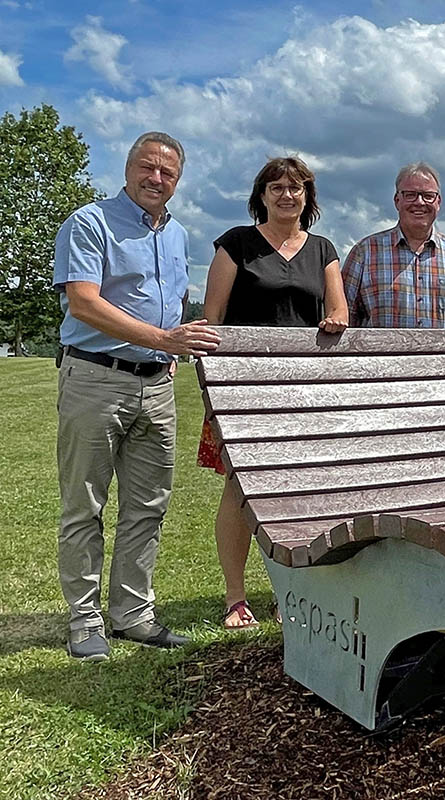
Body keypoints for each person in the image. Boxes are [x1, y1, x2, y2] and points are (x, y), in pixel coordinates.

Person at [53, 131, 221, 661]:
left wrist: (171, 348)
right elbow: (84, 304)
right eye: (147, 168)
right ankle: (84, 622)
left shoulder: (178, 236)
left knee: (148, 507)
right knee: (85, 505)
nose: (156, 179)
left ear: (177, 180)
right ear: (127, 169)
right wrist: (164, 339)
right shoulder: (90, 223)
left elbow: (171, 306)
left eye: (167, 173)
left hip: (157, 386)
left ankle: (132, 614)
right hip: (95, 379)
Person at [198, 156, 348, 630]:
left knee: (299, 494)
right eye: (277, 187)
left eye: (296, 188)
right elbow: (212, 319)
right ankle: (236, 597)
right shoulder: (236, 244)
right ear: (261, 195)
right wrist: (216, 389)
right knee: (239, 490)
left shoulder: (323, 249)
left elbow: (338, 308)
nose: (287, 195)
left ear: (309, 198)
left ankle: (290, 591)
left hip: (303, 391)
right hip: (242, 390)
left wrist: (335, 320)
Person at [341, 162, 445, 377]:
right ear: (397, 200)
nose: (419, 202)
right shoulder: (365, 252)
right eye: (410, 195)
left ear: (438, 202)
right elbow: (345, 316)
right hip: (381, 383)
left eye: (427, 195)